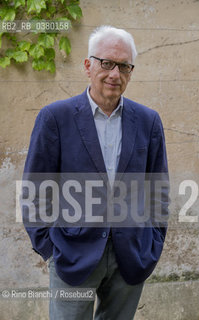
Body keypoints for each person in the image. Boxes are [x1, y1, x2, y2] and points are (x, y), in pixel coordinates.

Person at [22, 25, 169, 320]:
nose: (115, 74)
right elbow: (35, 189)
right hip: (72, 254)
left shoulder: (148, 121)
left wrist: (152, 243)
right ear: (88, 66)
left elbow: (158, 189)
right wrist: (51, 248)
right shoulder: (55, 118)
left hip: (132, 256)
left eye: (124, 66)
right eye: (107, 63)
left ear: (130, 71)